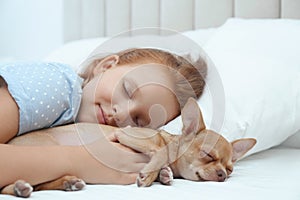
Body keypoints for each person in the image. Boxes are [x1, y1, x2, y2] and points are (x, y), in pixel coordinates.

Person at [0, 48, 207, 188]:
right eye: (127, 90)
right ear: (106, 66)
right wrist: (80, 161)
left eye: (137, 121)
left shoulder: (67, 123)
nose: (122, 113)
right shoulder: (58, 86)